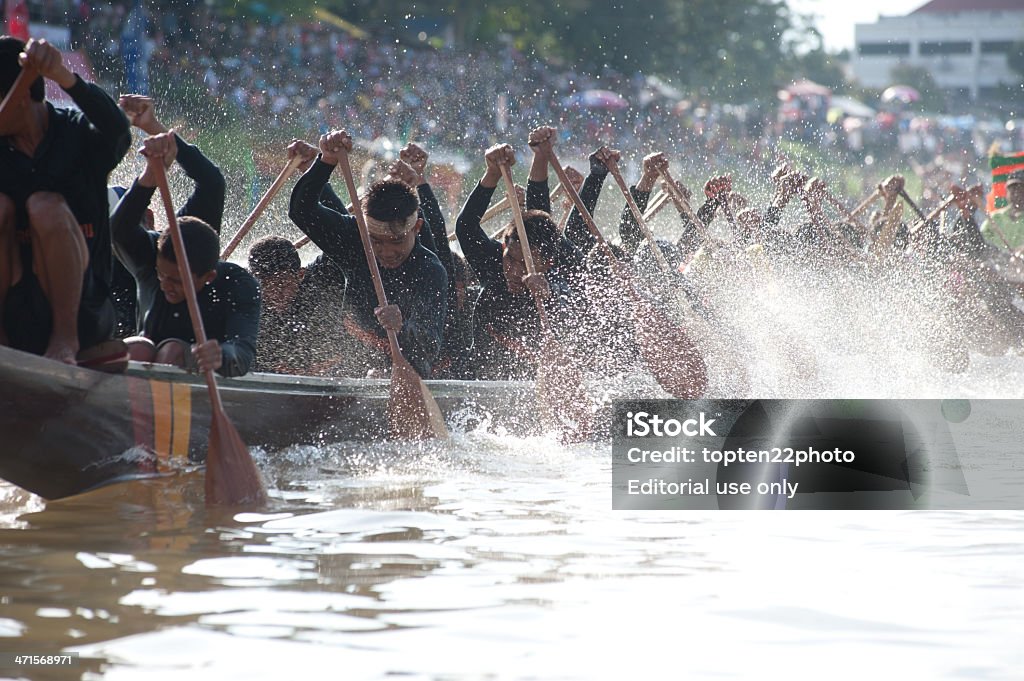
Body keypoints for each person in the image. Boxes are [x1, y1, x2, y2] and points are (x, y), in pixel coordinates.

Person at [0, 36, 130, 364]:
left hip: (85, 313)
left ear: (20, 97)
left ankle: (64, 339)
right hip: (17, 313)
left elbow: (118, 132)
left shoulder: (77, 135)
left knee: (44, 207)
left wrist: (64, 76)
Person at [289, 128, 448, 378]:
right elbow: (302, 211)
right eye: (377, 241)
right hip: (350, 364)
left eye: (396, 241)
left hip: (404, 372)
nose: (386, 252)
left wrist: (401, 326)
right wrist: (325, 162)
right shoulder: (356, 238)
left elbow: (429, 344)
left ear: (416, 228)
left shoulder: (430, 269)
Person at [112, 133, 259, 376]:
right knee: (138, 348)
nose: (165, 286)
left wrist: (221, 354)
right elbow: (119, 230)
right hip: (146, 364)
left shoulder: (237, 283)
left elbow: (242, 352)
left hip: (202, 374)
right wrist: (149, 177)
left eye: (177, 281)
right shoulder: (151, 254)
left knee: (171, 351)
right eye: (162, 276)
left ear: (208, 276)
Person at [455, 135, 588, 380]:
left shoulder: (563, 280)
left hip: (536, 388)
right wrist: (492, 174)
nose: (514, 272)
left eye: (526, 266)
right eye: (510, 260)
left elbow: (572, 305)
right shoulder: (494, 262)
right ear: (504, 246)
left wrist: (548, 296)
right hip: (480, 384)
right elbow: (465, 227)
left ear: (548, 264)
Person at [247, 235, 346, 374]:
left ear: (300, 275)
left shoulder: (321, 285)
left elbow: (344, 242)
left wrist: (312, 371)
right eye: (267, 287)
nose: (276, 295)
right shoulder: (244, 299)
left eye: (284, 285)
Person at [981, 170, 1024, 252]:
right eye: (1012, 189)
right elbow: (982, 240)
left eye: (1020, 188)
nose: (1015, 193)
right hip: (997, 262)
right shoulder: (995, 217)